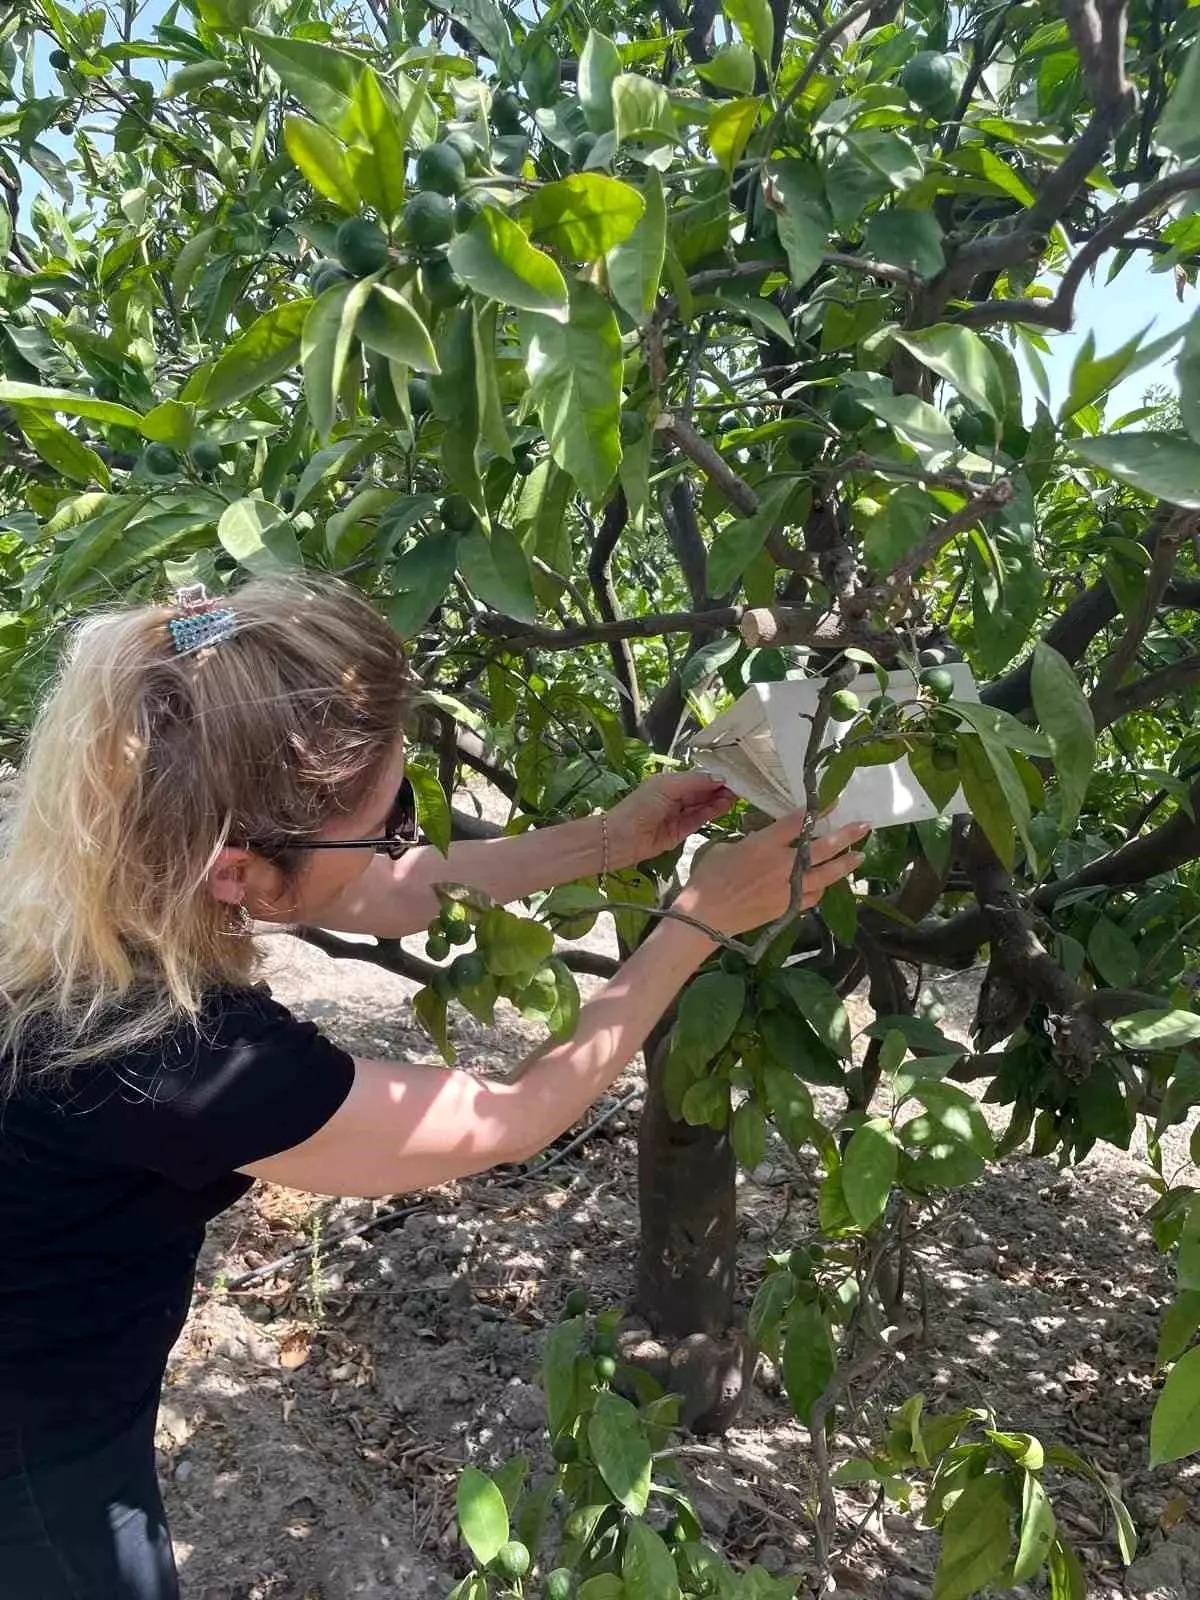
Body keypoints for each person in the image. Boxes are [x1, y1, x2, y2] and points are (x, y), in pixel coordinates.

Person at [0, 574, 867, 1599]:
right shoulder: (188, 1065)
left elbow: (374, 890)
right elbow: (512, 1118)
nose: (402, 838)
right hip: (40, 1465)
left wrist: (614, 839)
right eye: (388, 818)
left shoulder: (83, 856)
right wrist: (698, 919)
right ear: (237, 869)